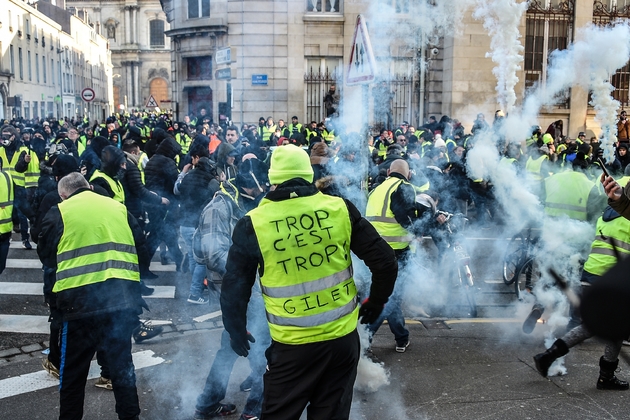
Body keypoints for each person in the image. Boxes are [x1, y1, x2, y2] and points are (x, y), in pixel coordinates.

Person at [219, 144, 397, 419]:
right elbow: (385, 261)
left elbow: (234, 289)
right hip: (341, 343)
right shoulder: (338, 208)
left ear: (273, 180)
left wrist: (236, 331)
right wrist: (377, 301)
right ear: (308, 175)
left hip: (292, 348)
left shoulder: (253, 223)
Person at [37, 172, 147, 420]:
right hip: (120, 301)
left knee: (73, 376)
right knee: (122, 370)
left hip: (78, 306)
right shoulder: (118, 208)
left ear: (63, 194)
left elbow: (45, 254)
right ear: (88, 186)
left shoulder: (61, 211)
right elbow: (141, 244)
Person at [193, 158, 270, 420]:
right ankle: (254, 411)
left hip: (243, 290)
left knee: (230, 348)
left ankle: (207, 403)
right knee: (263, 351)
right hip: (238, 291)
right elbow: (214, 255)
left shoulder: (235, 202)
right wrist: (248, 272)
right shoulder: (218, 207)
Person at [533, 204, 630, 390]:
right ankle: (605, 376)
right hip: (612, 278)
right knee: (614, 326)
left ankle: (549, 356)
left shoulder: (607, 213)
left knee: (596, 326)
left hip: (591, 274)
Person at [365, 159, 440, 352]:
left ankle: (401, 337)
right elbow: (406, 217)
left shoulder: (377, 189)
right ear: (408, 174)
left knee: (390, 296)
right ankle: (365, 337)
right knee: (390, 298)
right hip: (396, 252)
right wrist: (421, 227)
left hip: (375, 251)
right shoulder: (404, 187)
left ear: (389, 171)